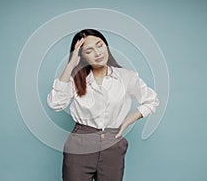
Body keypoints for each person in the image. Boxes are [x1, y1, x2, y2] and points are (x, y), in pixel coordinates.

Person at [47, 29, 159, 181]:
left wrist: (128, 120)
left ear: (106, 46)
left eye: (100, 45)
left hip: (113, 145)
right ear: (82, 57)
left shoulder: (126, 77)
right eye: (89, 50)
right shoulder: (74, 79)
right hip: (80, 144)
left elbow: (151, 100)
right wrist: (71, 65)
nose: (97, 53)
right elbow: (55, 104)